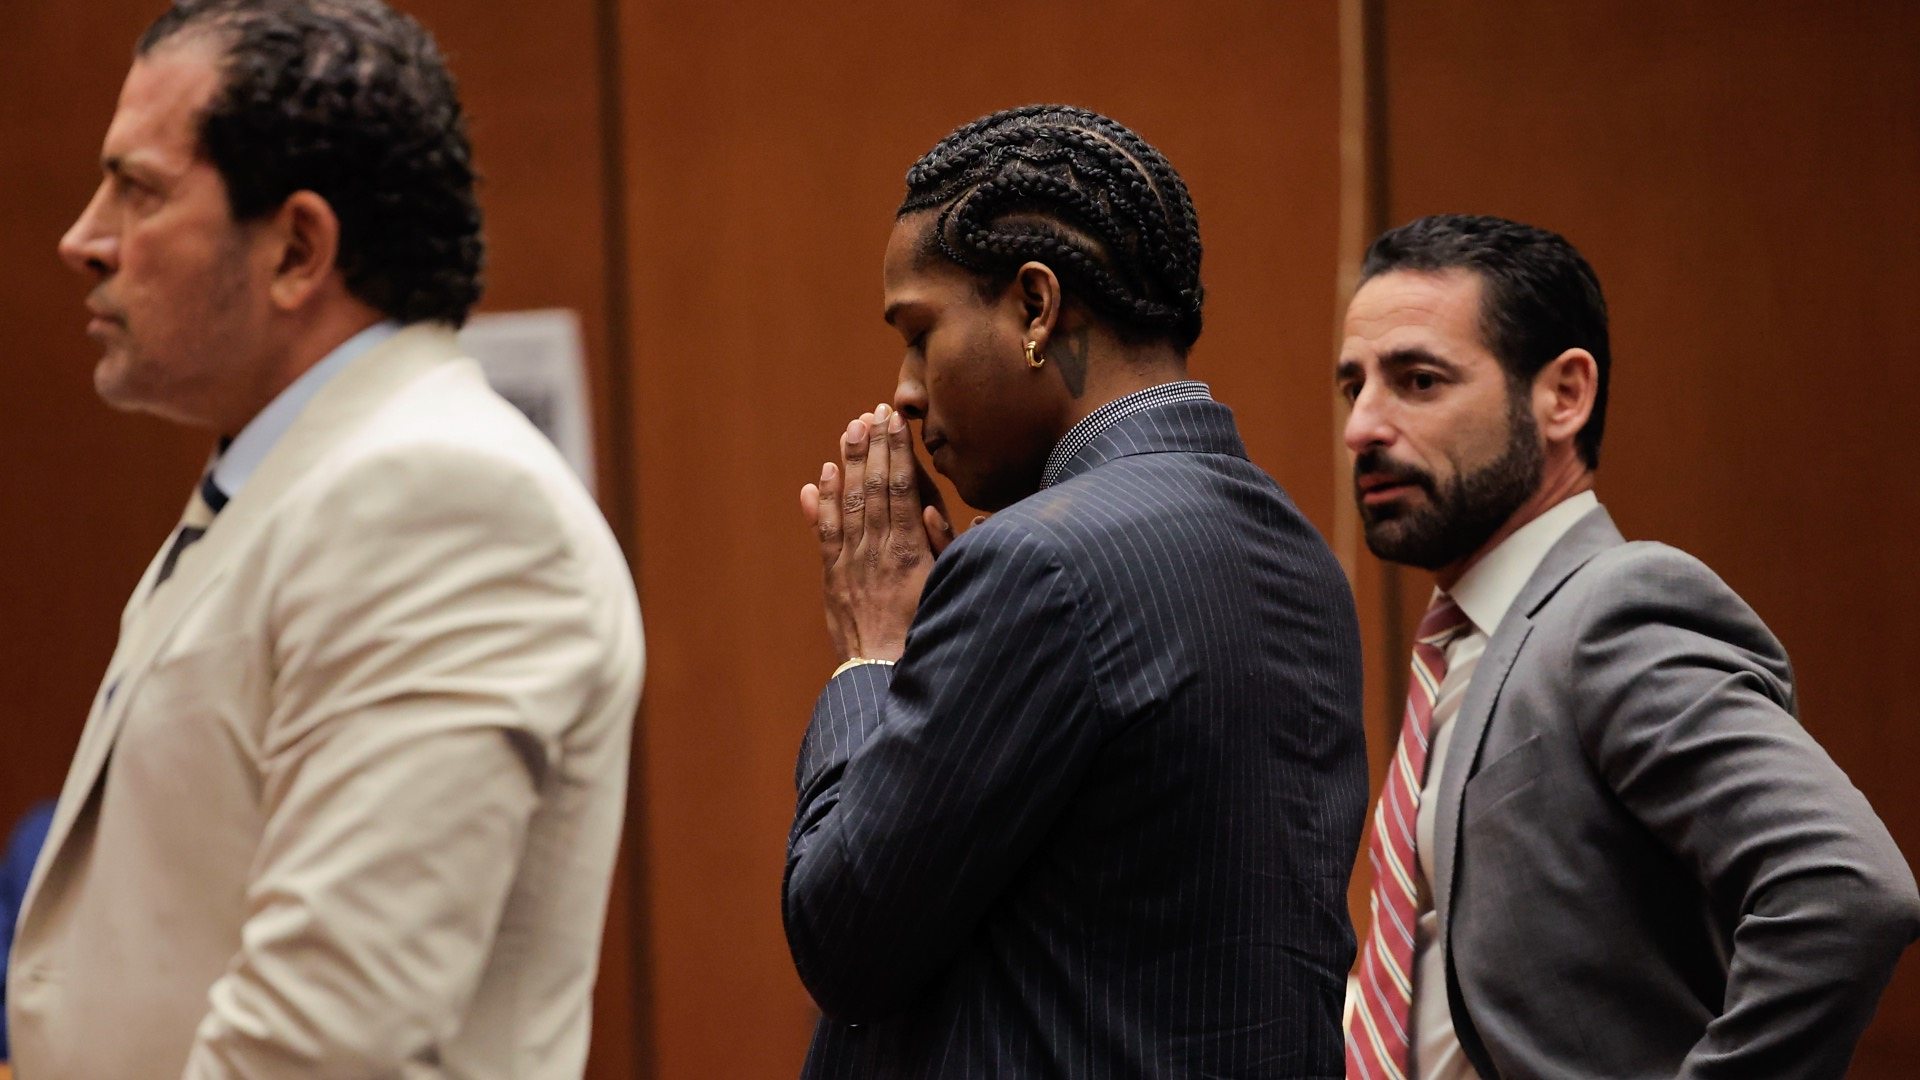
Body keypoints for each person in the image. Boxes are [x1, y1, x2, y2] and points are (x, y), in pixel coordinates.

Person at [7, 2, 643, 1076]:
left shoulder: (443, 499)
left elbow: (325, 1045)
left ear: (298, 248)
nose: (84, 240)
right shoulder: (297, 481)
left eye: (140, 188)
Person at [786, 104, 1369, 1078]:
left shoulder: (1034, 565)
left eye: (921, 334)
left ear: (1036, 307)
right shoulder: (1304, 559)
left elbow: (844, 932)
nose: (904, 391)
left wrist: (874, 652)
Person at [1337, 213, 1919, 1079]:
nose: (1363, 428)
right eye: (1354, 386)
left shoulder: (1615, 609)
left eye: (1418, 381)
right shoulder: (1465, 644)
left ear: (1564, 395)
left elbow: (1846, 891)